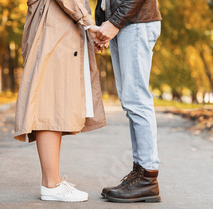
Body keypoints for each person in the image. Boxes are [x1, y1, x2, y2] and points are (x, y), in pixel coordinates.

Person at [14, 0, 106, 202]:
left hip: (57, 23)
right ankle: (51, 184)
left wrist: (88, 29)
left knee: (55, 103)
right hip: (53, 25)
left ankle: (52, 180)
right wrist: (89, 24)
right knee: (50, 103)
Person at [94, 0, 162, 203]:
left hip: (135, 21)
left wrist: (113, 22)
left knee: (137, 99)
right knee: (130, 101)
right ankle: (140, 173)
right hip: (125, 21)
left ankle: (148, 178)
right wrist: (103, 24)